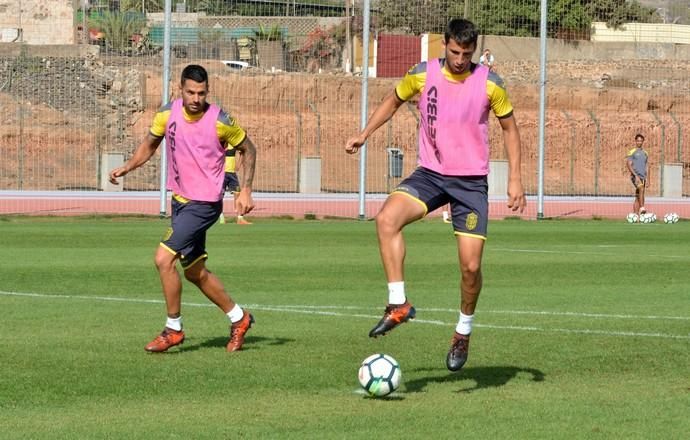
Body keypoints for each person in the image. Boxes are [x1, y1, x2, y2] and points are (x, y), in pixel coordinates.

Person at [345, 18, 526, 372]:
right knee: (386, 220)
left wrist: (516, 178)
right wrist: (364, 134)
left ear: (474, 51)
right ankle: (398, 303)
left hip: (470, 183)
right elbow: (392, 100)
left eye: (467, 53)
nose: (460, 59)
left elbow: (510, 128)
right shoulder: (421, 73)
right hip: (430, 174)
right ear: (444, 45)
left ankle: (463, 331)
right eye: (455, 51)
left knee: (471, 268)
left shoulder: (490, 84)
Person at [109, 64, 257, 353]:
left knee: (164, 260)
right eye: (191, 92)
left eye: (201, 93)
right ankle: (239, 318)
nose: (196, 98)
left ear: (207, 92)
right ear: (181, 90)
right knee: (194, 272)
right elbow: (150, 143)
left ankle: (173, 329)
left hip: (204, 205)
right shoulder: (167, 113)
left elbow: (248, 149)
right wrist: (127, 167)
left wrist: (246, 190)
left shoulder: (220, 120)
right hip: (180, 201)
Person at [219, 146, 252, 225]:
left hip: (232, 174)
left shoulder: (233, 143)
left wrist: (238, 164)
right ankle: (221, 217)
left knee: (237, 194)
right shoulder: (221, 143)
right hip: (222, 174)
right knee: (220, 196)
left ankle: (240, 218)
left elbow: (242, 152)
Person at [625, 133, 649, 215]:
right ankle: (642, 208)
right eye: (638, 141)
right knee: (641, 188)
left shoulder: (645, 153)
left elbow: (647, 166)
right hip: (635, 176)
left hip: (643, 177)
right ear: (635, 141)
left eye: (641, 141)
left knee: (638, 196)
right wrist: (635, 175)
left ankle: (635, 215)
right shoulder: (632, 152)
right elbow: (628, 164)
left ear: (643, 142)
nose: (639, 142)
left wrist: (648, 178)